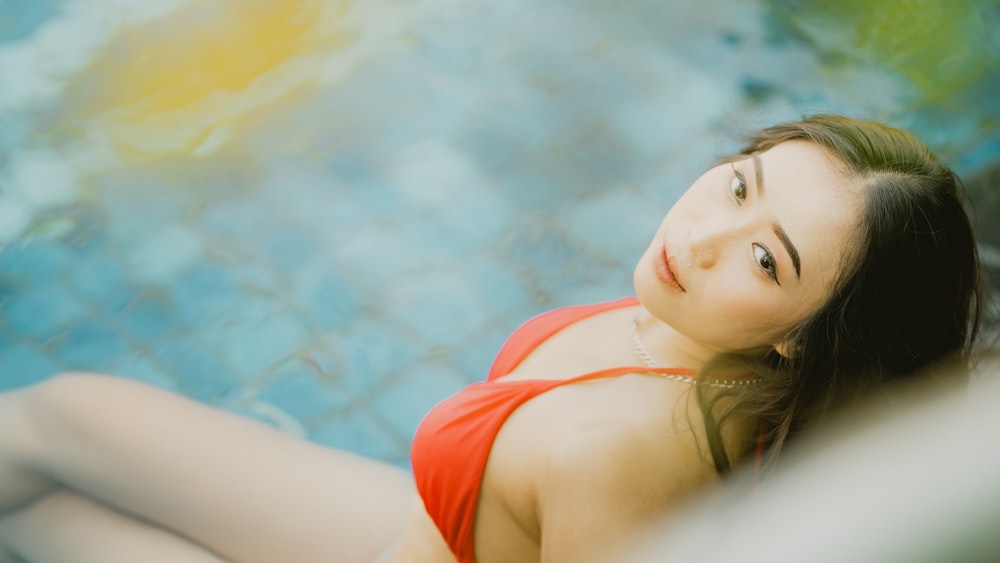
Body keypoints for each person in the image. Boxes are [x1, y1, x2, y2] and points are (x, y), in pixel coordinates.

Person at [0, 114, 983, 563]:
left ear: (803, 343)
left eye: (766, 260)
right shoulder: (694, 332)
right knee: (63, 418)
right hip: (420, 530)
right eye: (737, 184)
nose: (704, 236)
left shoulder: (629, 454)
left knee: (39, 514)